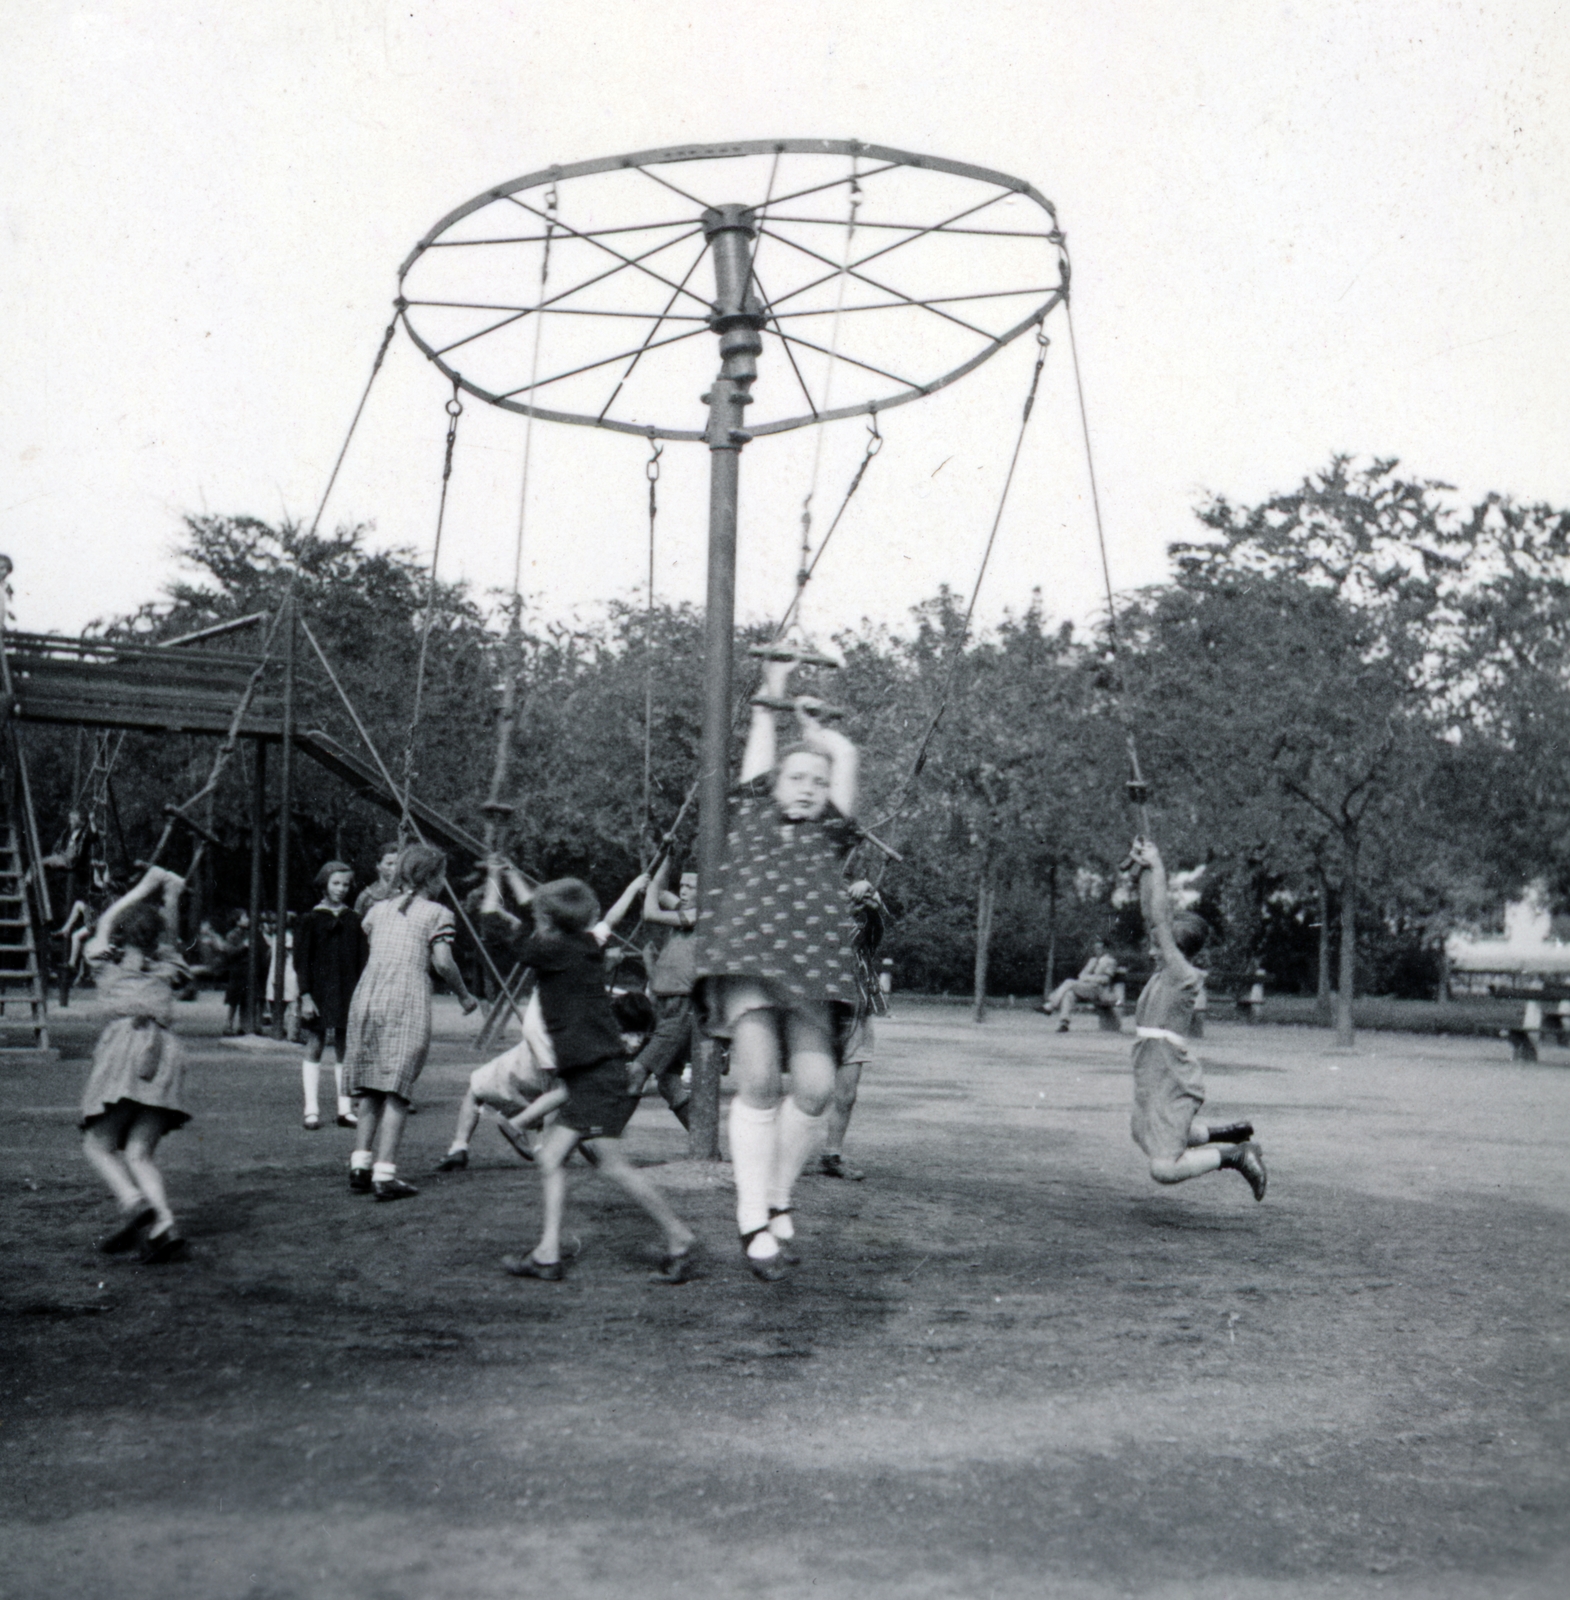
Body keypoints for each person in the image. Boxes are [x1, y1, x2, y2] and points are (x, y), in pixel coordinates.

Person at [695, 654, 863, 1279]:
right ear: (776, 783)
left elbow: (843, 759)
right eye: (796, 778)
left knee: (818, 1088)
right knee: (760, 1080)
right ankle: (751, 1222)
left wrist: (817, 733)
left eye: (816, 783)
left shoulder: (831, 833)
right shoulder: (754, 815)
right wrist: (774, 692)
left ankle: (776, 1193)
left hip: (813, 971)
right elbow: (761, 753)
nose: (807, 788)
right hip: (750, 964)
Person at [481, 864, 697, 1283]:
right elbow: (533, 914)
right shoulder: (583, 942)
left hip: (596, 1077)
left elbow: (500, 930)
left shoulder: (555, 950)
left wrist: (492, 883)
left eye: (542, 915)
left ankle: (681, 1238)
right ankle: (547, 1255)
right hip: (592, 1075)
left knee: (612, 1164)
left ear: (550, 922)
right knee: (553, 1159)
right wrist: (509, 877)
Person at [1125, 838, 1266, 1199]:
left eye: (1162, 941)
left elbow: (1156, 917)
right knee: (1142, 1130)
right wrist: (1144, 870)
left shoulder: (1181, 974)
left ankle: (1235, 1154)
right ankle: (1224, 1134)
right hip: (1153, 1068)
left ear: (1176, 945)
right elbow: (1149, 915)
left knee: (1164, 1168)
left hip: (1170, 1073)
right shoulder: (1166, 968)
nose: (1153, 944)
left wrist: (1157, 866)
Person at [344, 844, 478, 1201]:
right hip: (405, 998)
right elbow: (444, 963)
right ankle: (385, 1174)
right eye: (442, 874)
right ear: (431, 878)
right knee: (397, 1089)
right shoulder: (437, 913)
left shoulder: (377, 910)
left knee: (371, 1085)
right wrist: (464, 995)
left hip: (368, 997)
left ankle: (360, 1165)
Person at [78, 865, 192, 1263]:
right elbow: (173, 938)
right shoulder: (168, 965)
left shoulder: (106, 961)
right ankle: (164, 1225)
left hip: (125, 1046)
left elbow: (106, 923)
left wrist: (144, 886)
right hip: (167, 1052)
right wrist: (172, 895)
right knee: (140, 1152)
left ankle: (131, 1200)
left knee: (97, 1143)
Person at [437, 988, 656, 1170]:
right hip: (536, 1061)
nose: (636, 1042)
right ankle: (481, 1142)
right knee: (482, 1089)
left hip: (543, 1064)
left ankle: (461, 1146)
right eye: (630, 1033)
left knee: (478, 1090)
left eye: (640, 1036)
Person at [820, 877, 889, 1181]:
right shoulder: (817, 929)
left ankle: (833, 1154)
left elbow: (879, 924)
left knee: (846, 1095)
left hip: (857, 1014)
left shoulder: (863, 933)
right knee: (809, 1091)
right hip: (822, 1014)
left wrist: (871, 901)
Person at [293, 861, 368, 1130]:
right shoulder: (310, 920)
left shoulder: (354, 920)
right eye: (336, 883)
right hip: (319, 991)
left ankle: (344, 1108)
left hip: (348, 989)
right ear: (324, 884)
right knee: (315, 1041)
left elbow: (362, 961)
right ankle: (311, 1108)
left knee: (344, 1046)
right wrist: (306, 995)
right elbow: (301, 961)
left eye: (346, 884)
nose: (341, 889)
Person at [627, 856, 698, 1130]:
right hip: (664, 1006)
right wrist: (668, 857)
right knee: (669, 1084)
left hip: (683, 1008)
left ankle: (603, 1139)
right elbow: (655, 892)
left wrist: (653, 891)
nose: (684, 891)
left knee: (636, 1072)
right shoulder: (685, 909)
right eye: (683, 885)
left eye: (692, 886)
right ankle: (702, 1143)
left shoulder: (701, 914)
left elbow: (651, 912)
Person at [1041, 938, 1119, 1030]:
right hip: (1086, 988)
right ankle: (1064, 1022)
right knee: (1068, 994)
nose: (1097, 950)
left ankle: (1051, 1005)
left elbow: (1106, 979)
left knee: (1069, 982)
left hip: (1098, 990)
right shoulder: (1092, 960)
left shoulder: (1110, 961)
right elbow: (1081, 975)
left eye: (1099, 948)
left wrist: (1088, 978)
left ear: (1106, 949)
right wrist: (1088, 978)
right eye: (1095, 948)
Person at [220, 909, 250, 1035]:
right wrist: (243, 946)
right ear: (237, 921)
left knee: (245, 999)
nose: (247, 919)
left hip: (247, 970)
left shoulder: (248, 933)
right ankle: (228, 1025)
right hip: (237, 970)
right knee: (234, 1000)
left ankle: (243, 1026)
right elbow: (230, 952)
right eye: (244, 917)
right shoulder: (232, 935)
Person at [354, 841, 402, 917]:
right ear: (378, 865)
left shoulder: (405, 893)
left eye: (397, 864)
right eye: (389, 864)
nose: (394, 868)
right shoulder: (367, 897)